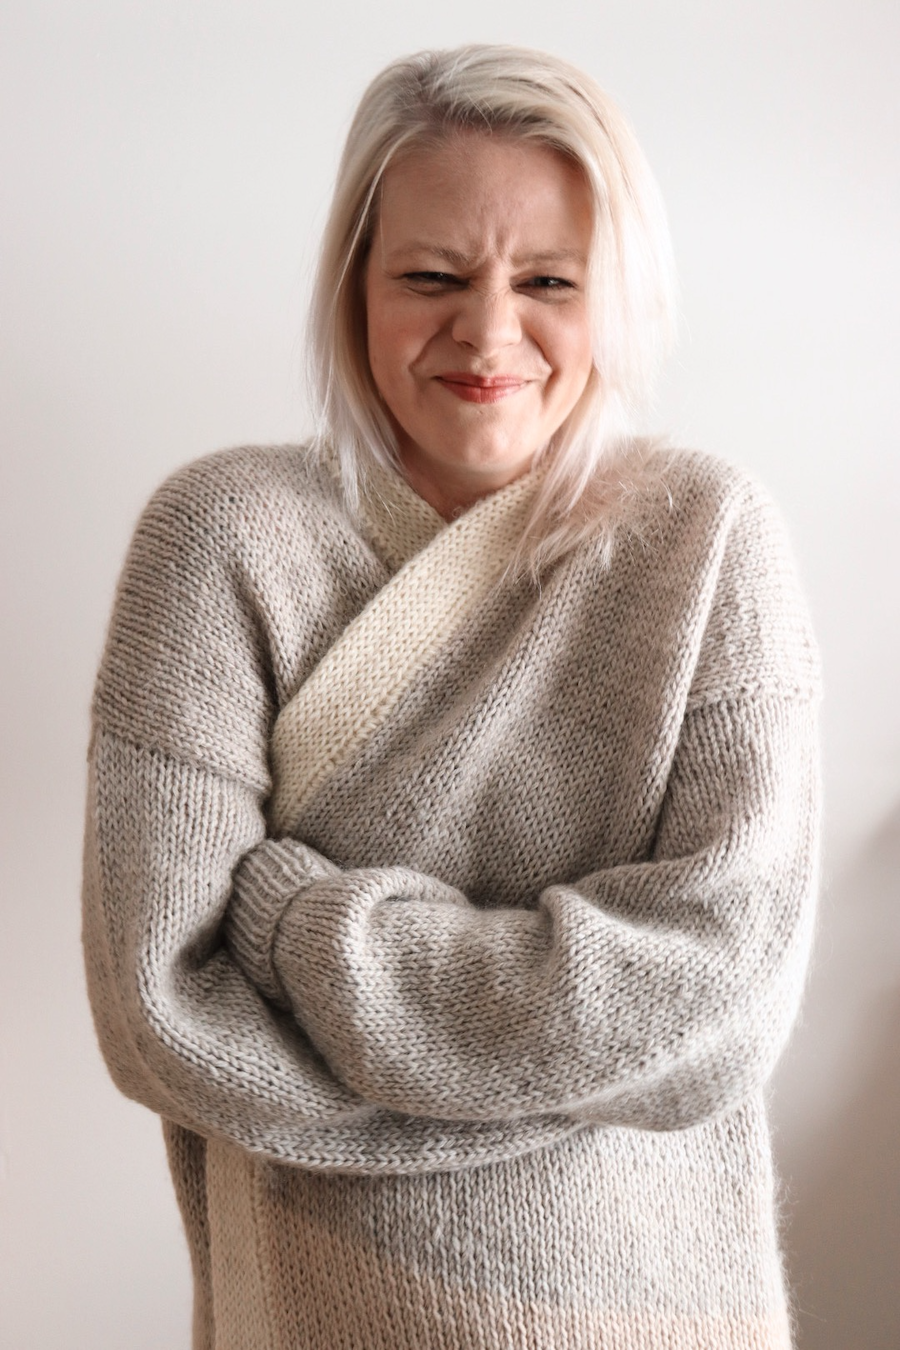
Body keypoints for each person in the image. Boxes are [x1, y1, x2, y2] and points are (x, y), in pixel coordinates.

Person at [82, 43, 821, 1350]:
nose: (488, 333)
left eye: (549, 282)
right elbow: (164, 1016)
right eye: (431, 276)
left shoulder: (710, 540)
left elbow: (720, 1001)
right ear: (354, 284)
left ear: (616, 296)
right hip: (318, 1311)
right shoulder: (221, 537)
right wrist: (572, 1062)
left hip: (654, 1308)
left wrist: (298, 925)